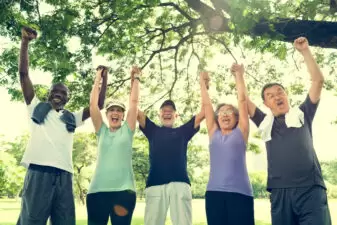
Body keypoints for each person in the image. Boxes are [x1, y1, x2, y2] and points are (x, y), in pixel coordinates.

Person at [16, 26, 108, 225]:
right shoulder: (36, 109)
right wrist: (25, 43)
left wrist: (103, 78)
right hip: (39, 172)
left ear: (67, 98)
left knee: (65, 221)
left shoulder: (71, 117)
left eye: (63, 93)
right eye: (55, 91)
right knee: (32, 220)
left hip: (64, 176)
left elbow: (98, 106)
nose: (58, 94)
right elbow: (24, 76)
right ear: (49, 93)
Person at [247, 37, 331, 225]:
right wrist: (238, 75)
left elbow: (318, 81)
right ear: (266, 103)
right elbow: (244, 102)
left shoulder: (303, 114)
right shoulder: (264, 122)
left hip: (310, 190)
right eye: (270, 95)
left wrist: (305, 51)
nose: (277, 96)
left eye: (280, 92)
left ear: (286, 96)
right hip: (279, 192)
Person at [200, 64, 254, 225]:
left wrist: (239, 75)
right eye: (221, 112)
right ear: (217, 118)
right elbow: (207, 106)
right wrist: (202, 83)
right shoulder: (213, 133)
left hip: (240, 193)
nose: (224, 114)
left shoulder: (241, 131)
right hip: (214, 193)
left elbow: (242, 100)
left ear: (237, 118)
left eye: (229, 111)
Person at [86, 66, 141, 225]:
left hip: (123, 193)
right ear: (107, 114)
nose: (115, 113)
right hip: (97, 192)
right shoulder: (101, 131)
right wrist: (98, 77)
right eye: (111, 110)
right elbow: (93, 105)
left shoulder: (128, 130)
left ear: (123, 115)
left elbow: (134, 102)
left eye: (119, 111)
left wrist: (136, 78)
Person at [137, 95, 204, 225]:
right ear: (159, 115)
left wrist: (204, 88)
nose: (167, 113)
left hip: (180, 183)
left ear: (176, 116)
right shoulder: (152, 130)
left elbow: (203, 113)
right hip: (155, 184)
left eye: (170, 111)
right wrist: (135, 80)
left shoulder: (183, 131)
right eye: (164, 111)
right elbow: (135, 111)